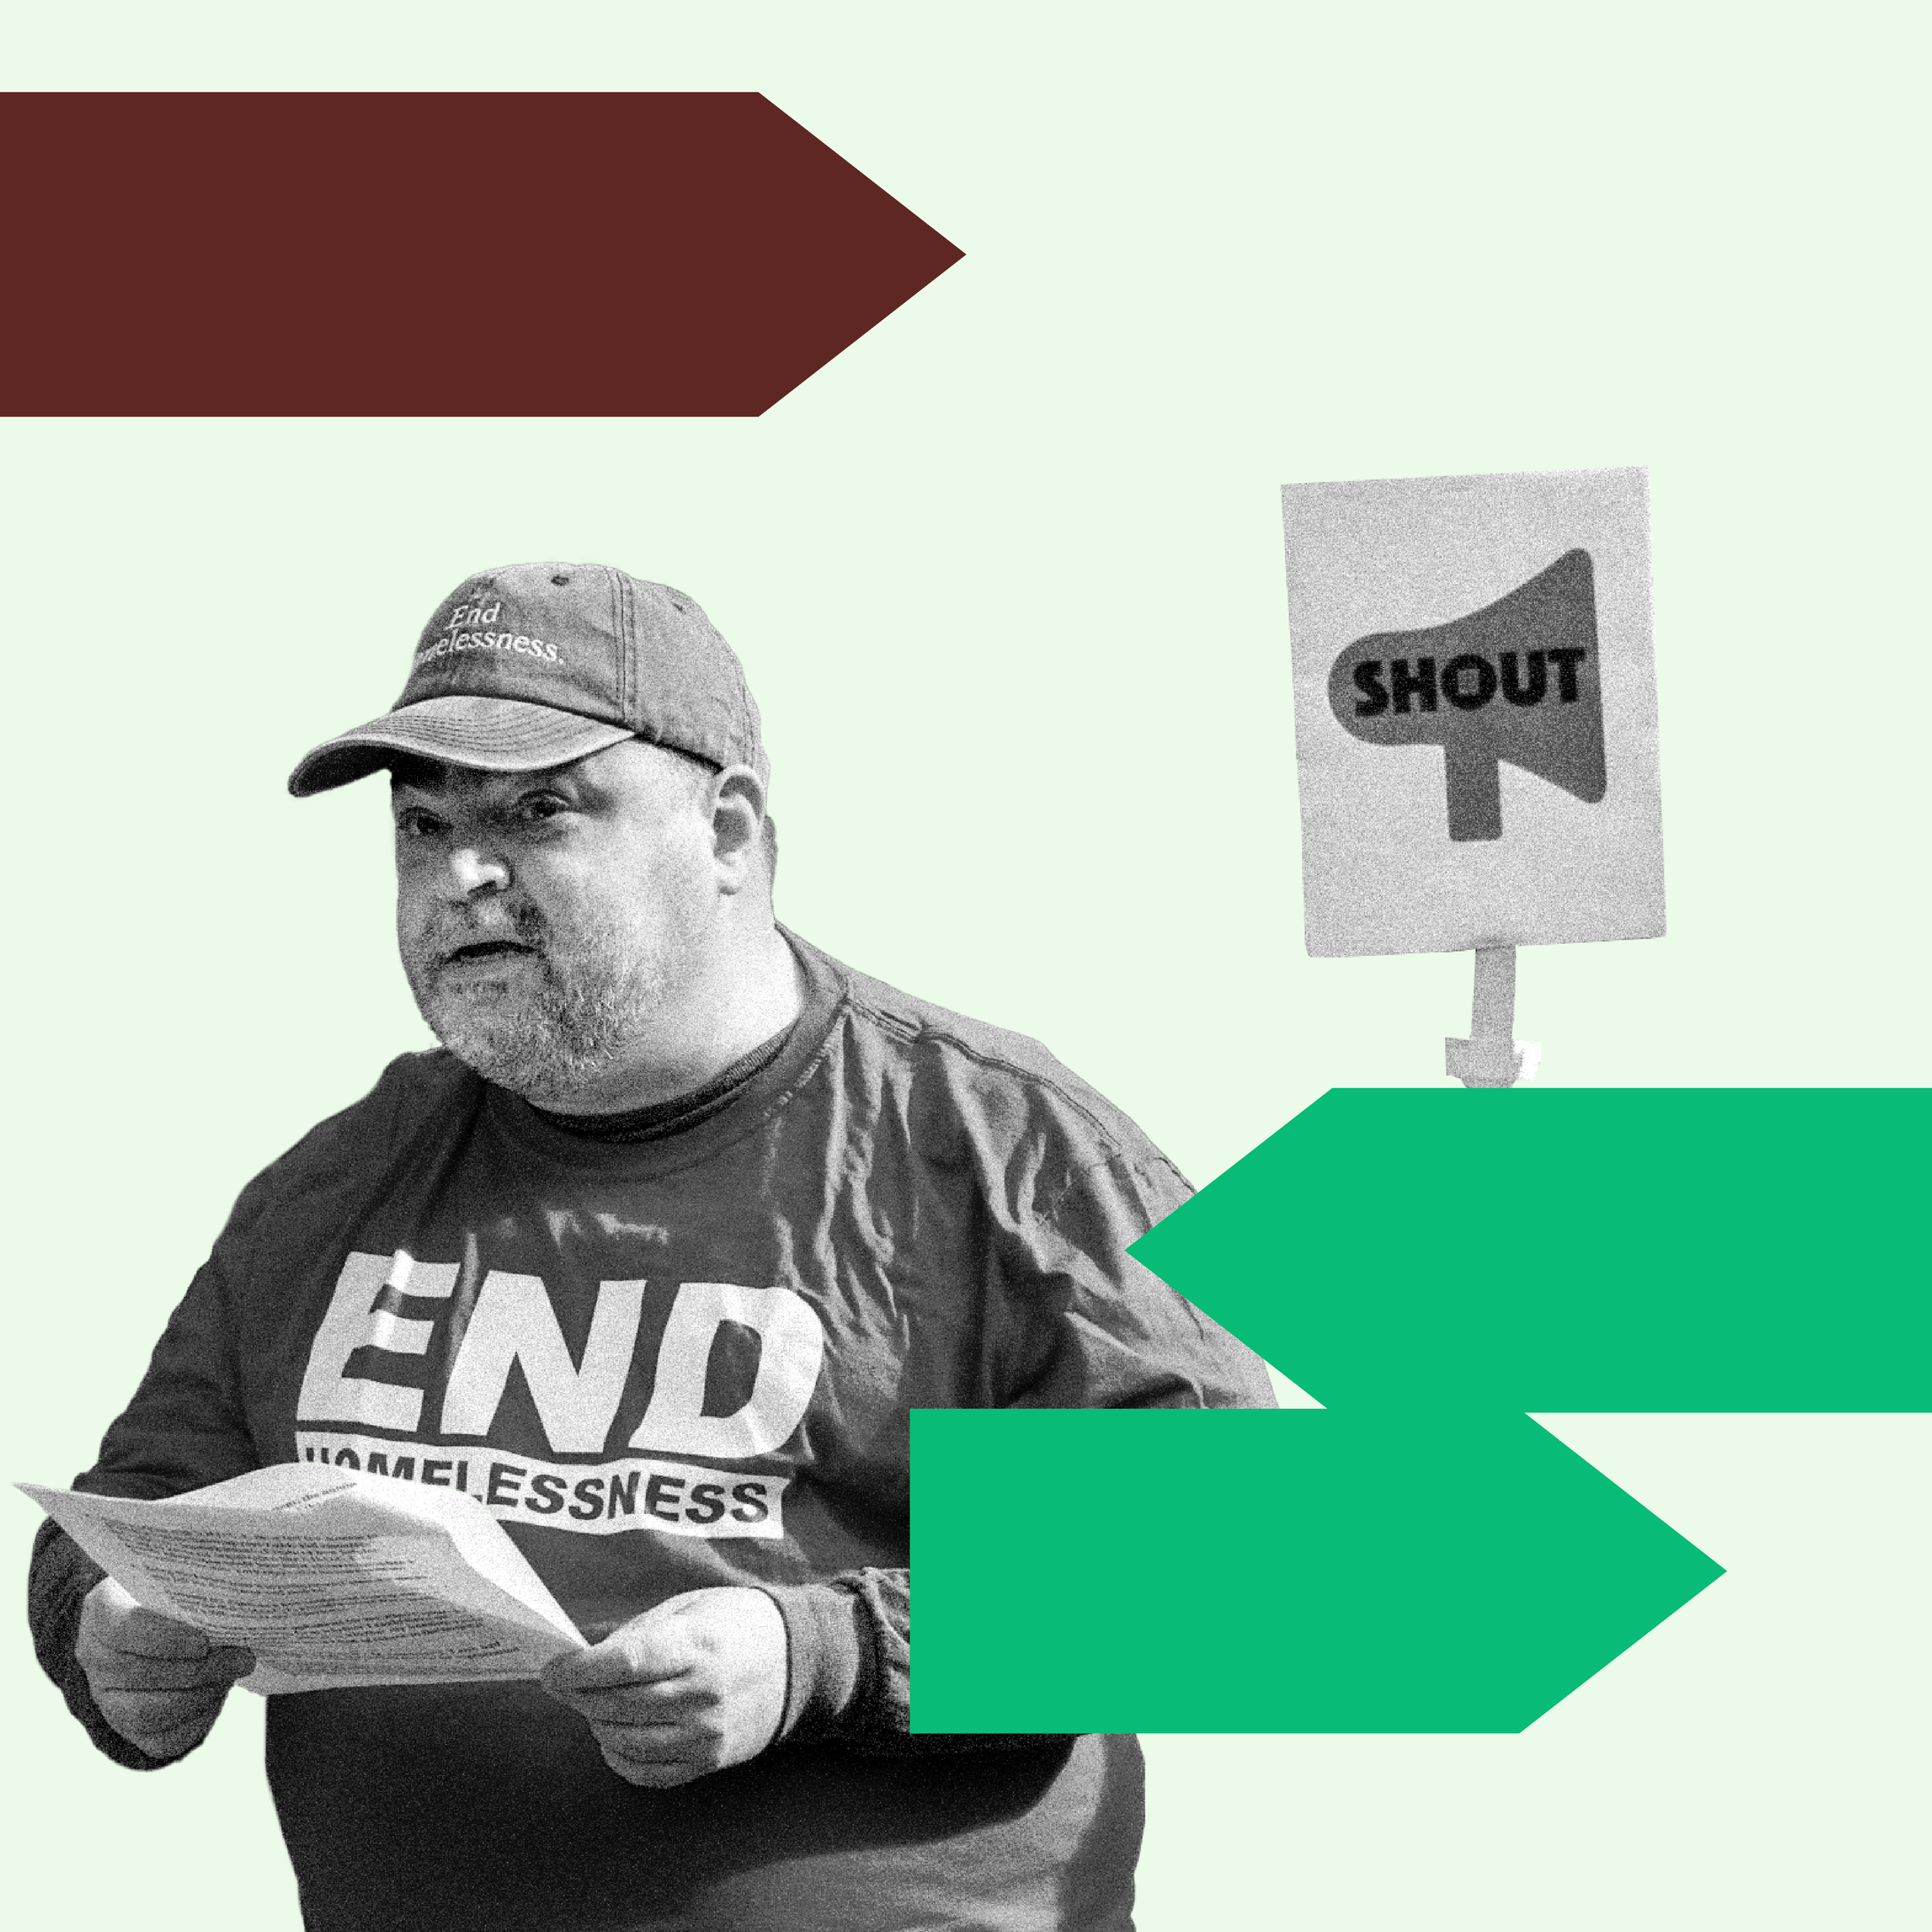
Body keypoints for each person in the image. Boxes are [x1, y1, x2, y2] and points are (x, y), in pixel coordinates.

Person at [27, 562, 1274, 1932]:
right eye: (423, 824)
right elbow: (136, 1506)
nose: (463, 875)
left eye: (539, 811)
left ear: (729, 833)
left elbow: (1209, 1558)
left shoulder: (997, 1151)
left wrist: (814, 1657)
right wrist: (108, 1633)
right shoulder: (340, 1183)